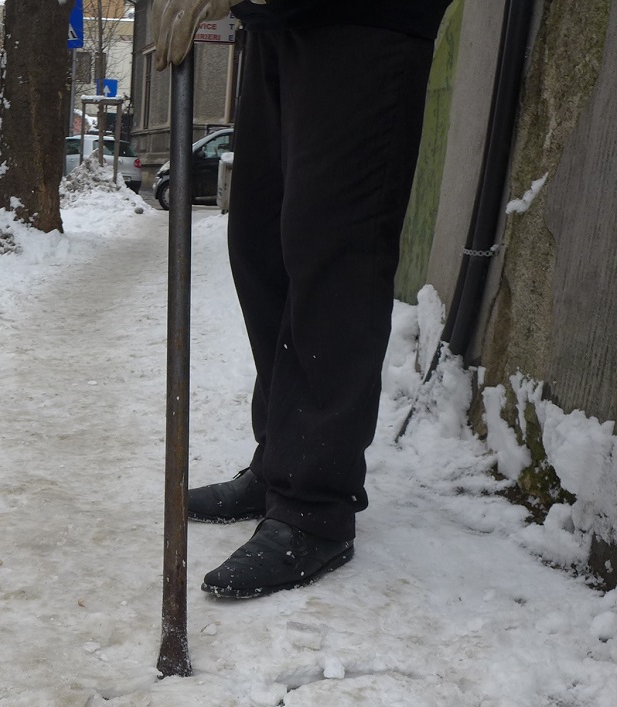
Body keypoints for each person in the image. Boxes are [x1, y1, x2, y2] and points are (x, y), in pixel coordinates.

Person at [153, 0, 452, 597]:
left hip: (367, 23)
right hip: (278, 20)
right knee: (260, 241)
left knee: (334, 249)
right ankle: (280, 462)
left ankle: (315, 504)